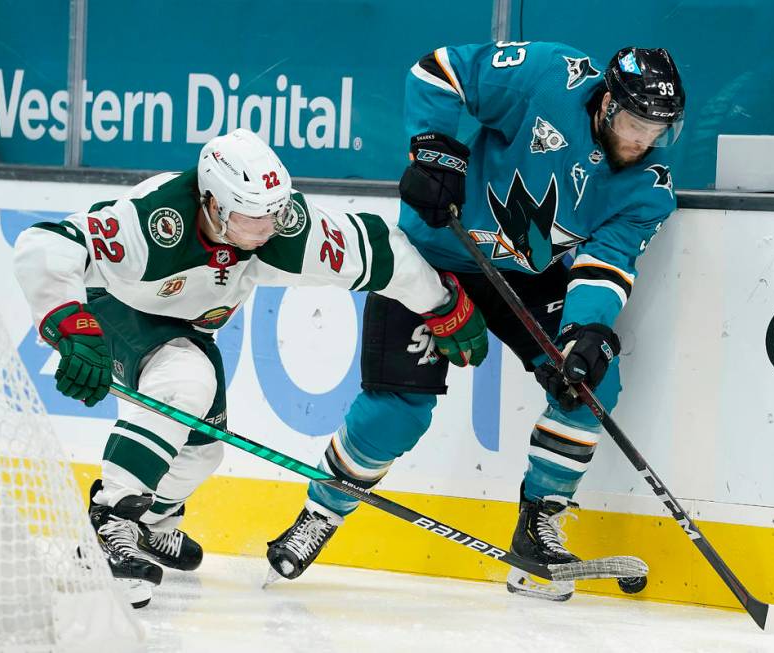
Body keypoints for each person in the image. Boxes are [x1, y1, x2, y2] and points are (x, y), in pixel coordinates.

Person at [267, 43, 685, 602]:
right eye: (634, 123)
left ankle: (538, 530)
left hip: (523, 274)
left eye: (656, 131)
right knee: (397, 412)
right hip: (432, 256)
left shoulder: (649, 190)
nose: (641, 142)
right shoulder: (547, 77)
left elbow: (605, 265)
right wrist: (434, 151)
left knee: (589, 382)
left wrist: (587, 332)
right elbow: (439, 70)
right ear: (607, 103)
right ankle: (321, 513)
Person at [12, 128, 489, 608]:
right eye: (251, 218)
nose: (267, 230)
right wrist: (70, 326)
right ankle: (111, 524)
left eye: (274, 214)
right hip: (111, 305)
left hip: (184, 328)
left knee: (201, 451)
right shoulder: (152, 224)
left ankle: (153, 521)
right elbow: (44, 244)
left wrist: (441, 302)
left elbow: (379, 252)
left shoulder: (283, 230)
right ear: (213, 205)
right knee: (185, 381)